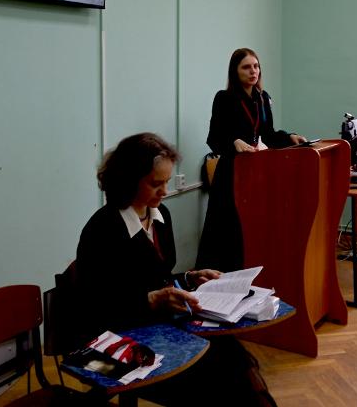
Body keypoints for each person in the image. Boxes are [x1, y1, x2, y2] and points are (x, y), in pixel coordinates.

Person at [74, 132, 276, 406]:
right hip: (124, 336)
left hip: (160, 325)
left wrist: (190, 278)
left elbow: (159, 277)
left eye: (167, 182)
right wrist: (150, 300)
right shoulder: (103, 230)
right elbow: (96, 305)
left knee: (236, 360)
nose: (165, 191)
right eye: (155, 183)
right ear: (129, 181)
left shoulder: (160, 216)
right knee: (217, 380)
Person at [196, 48, 306, 272]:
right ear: (235, 71)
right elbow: (213, 138)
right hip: (230, 174)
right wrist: (234, 142)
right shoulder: (224, 98)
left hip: (254, 174)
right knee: (225, 231)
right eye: (246, 67)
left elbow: (269, 135)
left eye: (256, 66)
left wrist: (289, 137)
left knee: (249, 229)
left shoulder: (262, 98)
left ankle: (248, 276)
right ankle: (216, 280)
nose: (253, 71)